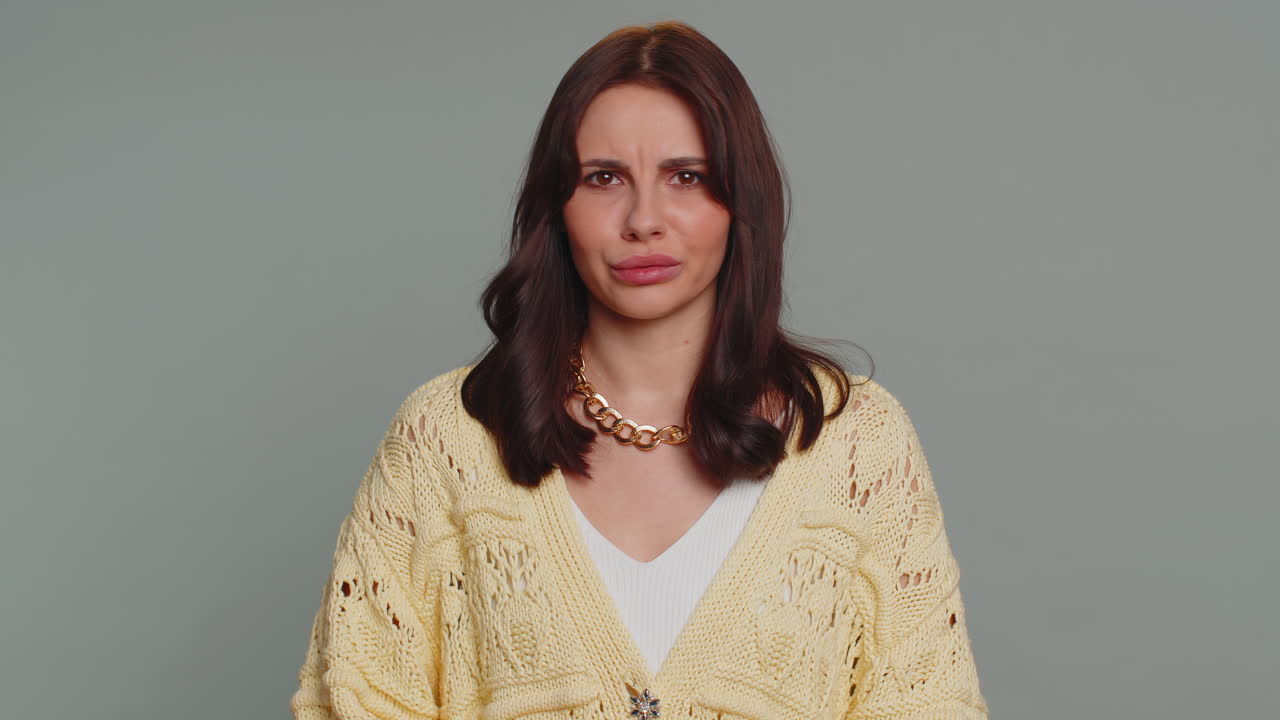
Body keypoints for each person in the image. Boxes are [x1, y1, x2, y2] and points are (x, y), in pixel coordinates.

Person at [290, 20, 988, 720]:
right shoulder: (445, 440)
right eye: (604, 178)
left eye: (687, 177)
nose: (643, 219)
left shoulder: (855, 444)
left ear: (740, 202)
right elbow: (352, 700)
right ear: (557, 208)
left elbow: (930, 704)